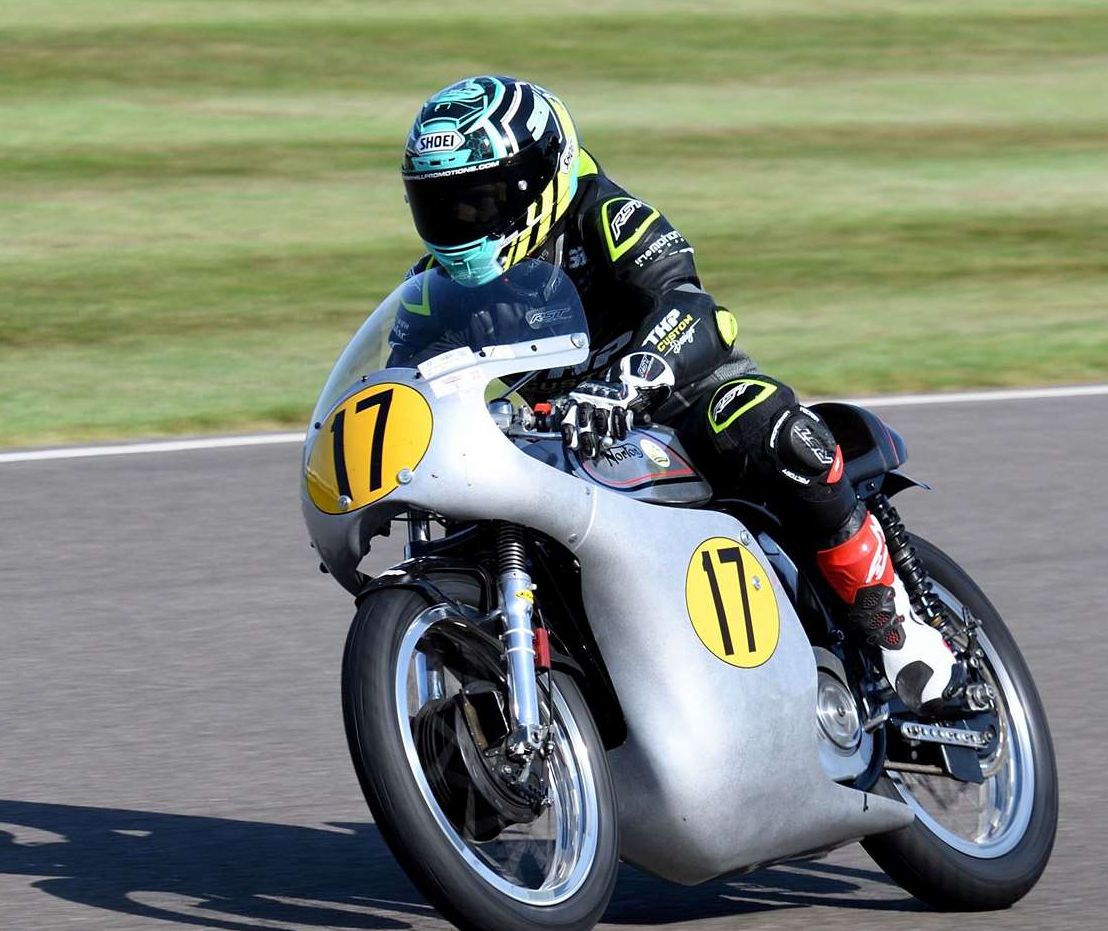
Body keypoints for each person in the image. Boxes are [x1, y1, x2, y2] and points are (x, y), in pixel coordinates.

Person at [397, 75, 959, 714]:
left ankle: (892, 626)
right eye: (438, 207)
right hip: (567, 440)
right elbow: (405, 387)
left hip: (684, 404)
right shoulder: (434, 286)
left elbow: (685, 301)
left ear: (537, 182)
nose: (458, 223)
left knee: (769, 426)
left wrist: (628, 383)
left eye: (476, 202)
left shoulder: (606, 214)